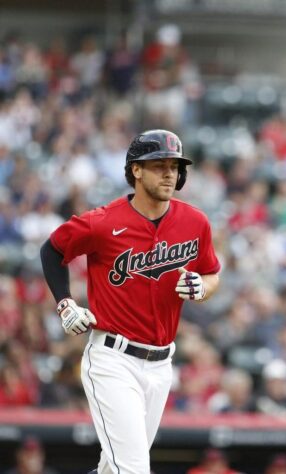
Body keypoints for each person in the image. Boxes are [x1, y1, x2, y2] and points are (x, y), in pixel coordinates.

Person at [40, 129, 221, 474]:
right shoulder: (103, 222)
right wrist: (65, 304)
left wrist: (203, 286)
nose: (170, 173)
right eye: (160, 165)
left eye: (175, 166)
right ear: (136, 170)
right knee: (134, 469)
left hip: (161, 364)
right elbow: (52, 249)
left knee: (114, 468)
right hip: (113, 360)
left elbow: (212, 274)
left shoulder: (195, 222)